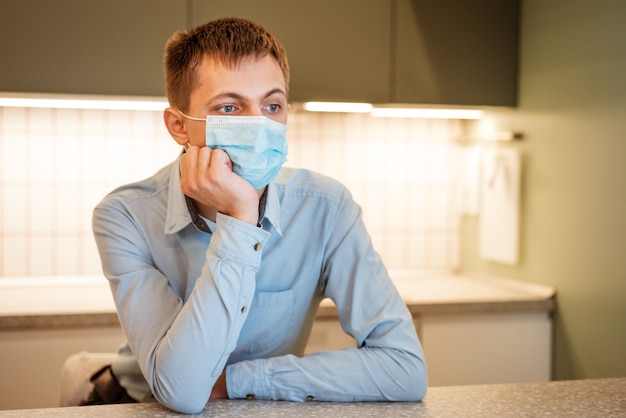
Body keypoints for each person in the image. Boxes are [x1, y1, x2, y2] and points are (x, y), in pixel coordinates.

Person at [90, 17, 427, 414]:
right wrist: (241, 219)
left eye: (272, 105)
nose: (259, 124)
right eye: (230, 107)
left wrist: (234, 381)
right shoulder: (124, 216)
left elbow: (404, 369)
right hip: (137, 405)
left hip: (261, 404)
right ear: (179, 126)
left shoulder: (327, 208)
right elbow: (179, 390)